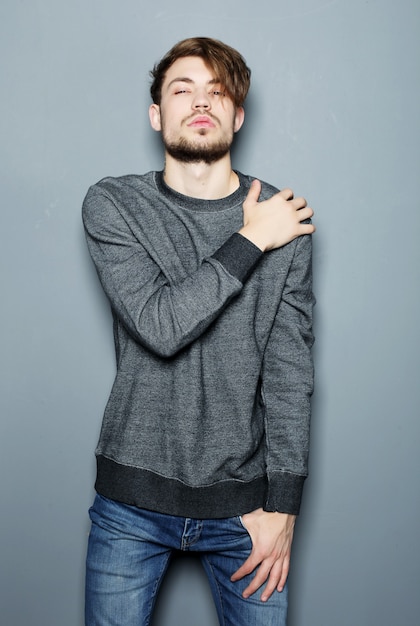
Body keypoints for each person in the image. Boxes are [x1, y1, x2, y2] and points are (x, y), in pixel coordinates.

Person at [83, 36, 315, 626]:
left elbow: (289, 376)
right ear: (157, 114)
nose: (200, 102)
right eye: (181, 91)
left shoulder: (284, 220)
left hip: (246, 511)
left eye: (217, 92)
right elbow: (162, 326)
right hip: (131, 503)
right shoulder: (114, 205)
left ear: (238, 114)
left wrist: (283, 508)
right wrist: (252, 238)